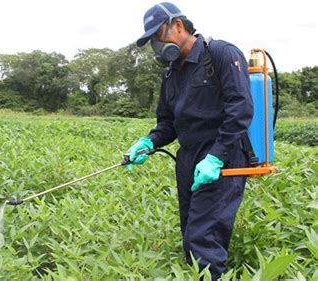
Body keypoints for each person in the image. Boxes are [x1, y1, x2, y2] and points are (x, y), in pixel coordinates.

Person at [126, 2, 254, 279]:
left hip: (223, 157)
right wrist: (149, 142)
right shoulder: (171, 72)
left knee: (202, 238)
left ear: (179, 26)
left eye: (158, 36)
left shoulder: (220, 54)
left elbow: (240, 109)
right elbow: (168, 123)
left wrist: (216, 156)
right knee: (191, 232)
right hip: (188, 159)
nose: (157, 45)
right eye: (152, 42)